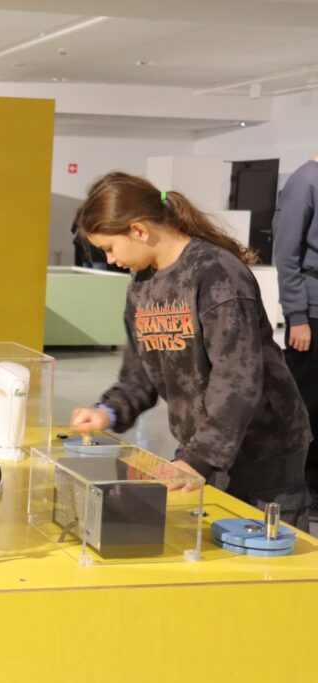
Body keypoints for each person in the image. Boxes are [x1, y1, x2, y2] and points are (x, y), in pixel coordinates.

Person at [69, 171, 312, 529]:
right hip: (205, 448)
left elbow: (237, 379)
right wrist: (108, 411)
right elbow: (139, 376)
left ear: (138, 230)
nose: (109, 259)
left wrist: (199, 459)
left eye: (109, 247)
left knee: (267, 548)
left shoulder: (216, 273)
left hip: (263, 447)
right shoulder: (142, 286)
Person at [272, 154, 318, 514]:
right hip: (311, 314)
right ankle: (298, 487)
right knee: (306, 405)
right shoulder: (305, 181)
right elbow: (286, 253)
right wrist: (297, 316)